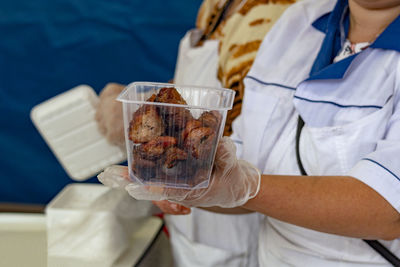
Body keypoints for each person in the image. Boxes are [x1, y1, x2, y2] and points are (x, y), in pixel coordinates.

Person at [99, 0, 400, 265]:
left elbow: (389, 212)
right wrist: (192, 184)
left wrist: (246, 187)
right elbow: (246, 171)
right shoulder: (299, 22)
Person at [97, 1, 298, 266]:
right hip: (187, 220)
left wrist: (147, 131)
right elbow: (204, 86)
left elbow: (248, 122)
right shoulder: (215, 6)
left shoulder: (276, 14)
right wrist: (150, 103)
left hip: (233, 229)